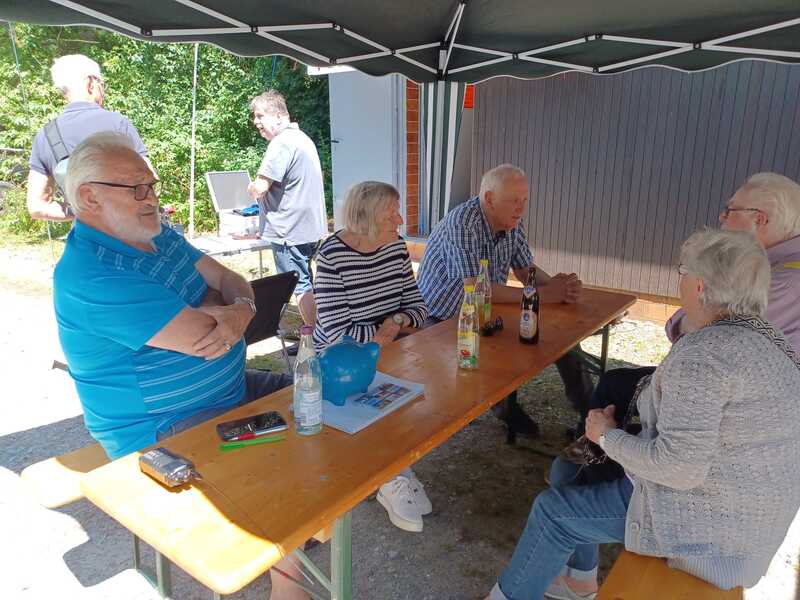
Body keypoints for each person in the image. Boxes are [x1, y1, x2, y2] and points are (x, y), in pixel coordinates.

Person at [53, 131, 308, 600]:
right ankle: (289, 585)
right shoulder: (92, 274)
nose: (151, 198)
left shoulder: (157, 236)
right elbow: (203, 335)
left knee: (319, 407)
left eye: (151, 185)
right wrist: (220, 306)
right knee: (279, 459)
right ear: (89, 197)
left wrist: (237, 310)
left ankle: (304, 528)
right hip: (162, 429)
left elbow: (231, 280)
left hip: (228, 392)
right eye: (137, 188)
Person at [485, 228, 800, 600]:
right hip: (742, 514)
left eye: (682, 271)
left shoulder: (704, 355)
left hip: (709, 527)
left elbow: (678, 468)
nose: (680, 280)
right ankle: (579, 581)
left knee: (553, 513)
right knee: (570, 472)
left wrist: (606, 436)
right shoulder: (770, 343)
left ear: (699, 286)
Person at [572, 172, 800, 470]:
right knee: (617, 383)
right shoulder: (776, 267)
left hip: (735, 417)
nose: (722, 217)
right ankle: (594, 453)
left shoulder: (781, 281)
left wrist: (609, 437)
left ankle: (594, 467)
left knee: (618, 388)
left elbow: (691, 329)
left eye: (730, 210)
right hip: (740, 404)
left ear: (759, 219)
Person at [416, 163, 590, 440]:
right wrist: (543, 294)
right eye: (514, 200)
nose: (521, 208)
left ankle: (591, 414)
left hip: (486, 310)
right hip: (443, 317)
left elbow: (524, 269)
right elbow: (475, 288)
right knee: (499, 350)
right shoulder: (463, 223)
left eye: (524, 200)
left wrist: (559, 288)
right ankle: (505, 409)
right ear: (489, 199)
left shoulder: (511, 221)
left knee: (562, 337)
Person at [312, 180, 431, 533]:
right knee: (371, 410)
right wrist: (383, 333)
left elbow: (418, 307)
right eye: (391, 212)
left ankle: (395, 472)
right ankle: (392, 479)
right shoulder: (332, 255)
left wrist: (395, 322)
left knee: (417, 402)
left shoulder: (396, 248)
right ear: (365, 217)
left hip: (389, 351)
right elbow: (337, 330)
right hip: (337, 363)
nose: (400, 219)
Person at [27, 54, 152, 222]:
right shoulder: (117, 123)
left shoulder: (46, 135)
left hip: (85, 234)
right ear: (91, 82)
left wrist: (81, 210)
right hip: (129, 230)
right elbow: (149, 178)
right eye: (102, 84)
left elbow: (36, 206)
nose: (103, 91)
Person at [247, 90, 327, 323]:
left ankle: (315, 337)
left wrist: (251, 187)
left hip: (289, 231)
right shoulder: (302, 139)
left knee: (299, 284)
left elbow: (261, 187)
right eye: (255, 116)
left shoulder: (281, 143)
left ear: (280, 116)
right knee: (310, 281)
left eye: (260, 116)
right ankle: (319, 330)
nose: (256, 122)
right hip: (309, 228)